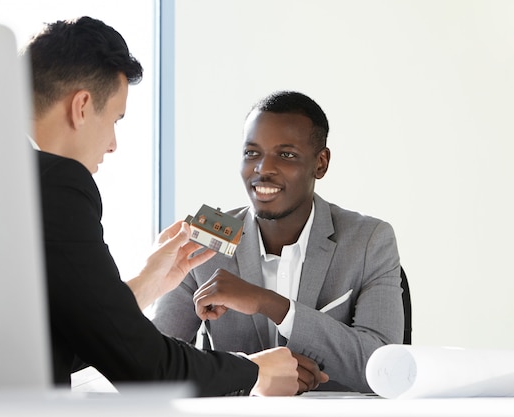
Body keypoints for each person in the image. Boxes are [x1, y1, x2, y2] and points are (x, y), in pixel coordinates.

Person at [21, 17, 327, 397]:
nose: (113, 144)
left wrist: (148, 282)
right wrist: (252, 371)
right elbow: (145, 365)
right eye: (116, 119)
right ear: (82, 105)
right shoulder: (59, 184)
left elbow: (55, 340)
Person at [151, 90, 404, 393]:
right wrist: (251, 373)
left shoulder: (369, 240)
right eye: (252, 153)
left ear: (320, 163)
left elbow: (387, 368)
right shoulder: (206, 239)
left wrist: (271, 304)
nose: (263, 169)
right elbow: (152, 365)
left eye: (285, 155)